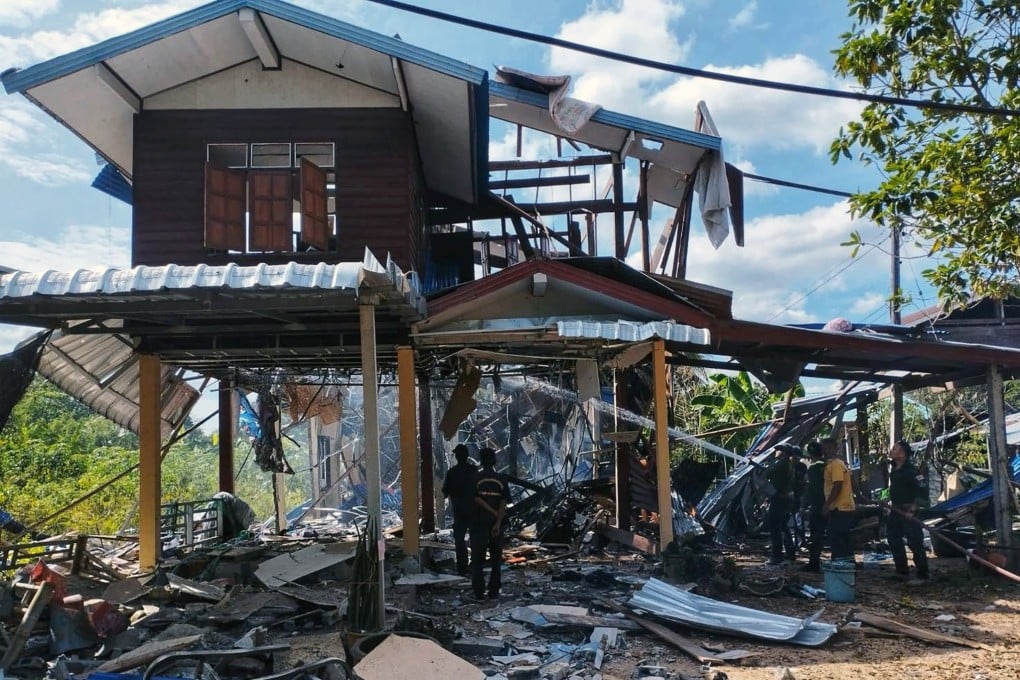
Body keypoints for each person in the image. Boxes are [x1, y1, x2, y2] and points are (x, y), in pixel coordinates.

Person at [470, 447, 510, 600]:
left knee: (477, 560)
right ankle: (493, 591)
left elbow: (475, 498)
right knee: (495, 559)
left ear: (480, 461)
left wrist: (492, 513)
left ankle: (479, 592)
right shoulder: (501, 479)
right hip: (496, 525)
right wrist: (498, 522)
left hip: (479, 523)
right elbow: (503, 503)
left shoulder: (474, 478)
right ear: (494, 460)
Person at [886, 440, 930, 580]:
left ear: (902, 454)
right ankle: (902, 570)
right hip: (896, 510)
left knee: (915, 542)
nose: (891, 450)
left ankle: (923, 573)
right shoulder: (894, 470)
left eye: (895, 449)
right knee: (893, 539)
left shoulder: (913, 471)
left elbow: (923, 491)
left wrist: (913, 508)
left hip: (909, 511)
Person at [441, 444, 477, 576]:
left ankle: (462, 567)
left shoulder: (452, 472)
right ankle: (475, 564)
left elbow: (444, 492)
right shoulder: (473, 470)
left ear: (456, 456)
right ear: (467, 456)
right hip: (474, 509)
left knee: (459, 539)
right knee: (475, 537)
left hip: (459, 510)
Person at [821, 437, 856, 561]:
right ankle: (847, 563)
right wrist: (859, 494)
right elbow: (852, 479)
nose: (826, 451)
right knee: (843, 536)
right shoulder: (839, 464)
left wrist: (827, 504)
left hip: (840, 507)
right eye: (824, 449)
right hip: (843, 506)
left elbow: (838, 484)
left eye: (829, 448)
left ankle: (840, 563)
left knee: (836, 536)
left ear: (835, 449)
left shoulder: (836, 464)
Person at [765, 444, 797, 565]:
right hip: (787, 499)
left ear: (783, 453)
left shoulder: (781, 464)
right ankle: (790, 552)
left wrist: (766, 469)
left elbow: (769, 475)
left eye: (778, 450)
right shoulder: (788, 464)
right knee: (783, 525)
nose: (775, 452)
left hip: (780, 499)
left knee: (774, 526)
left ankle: (777, 555)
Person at [800, 440, 828, 572]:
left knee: (815, 535)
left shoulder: (814, 468)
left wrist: (804, 505)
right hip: (830, 504)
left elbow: (812, 489)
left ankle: (814, 563)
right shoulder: (827, 465)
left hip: (818, 505)